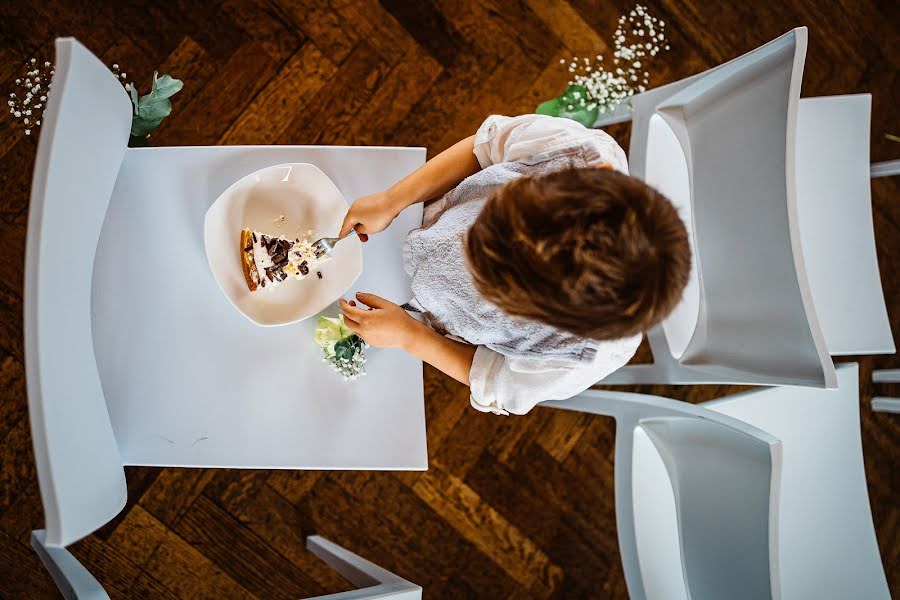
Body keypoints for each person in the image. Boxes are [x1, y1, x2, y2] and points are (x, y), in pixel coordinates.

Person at [337, 114, 691, 415]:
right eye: (492, 215)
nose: (466, 243)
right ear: (595, 172)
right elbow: (484, 148)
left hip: (421, 319)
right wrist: (392, 199)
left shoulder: (571, 361)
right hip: (417, 214)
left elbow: (490, 379)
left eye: (486, 278)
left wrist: (409, 335)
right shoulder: (569, 149)